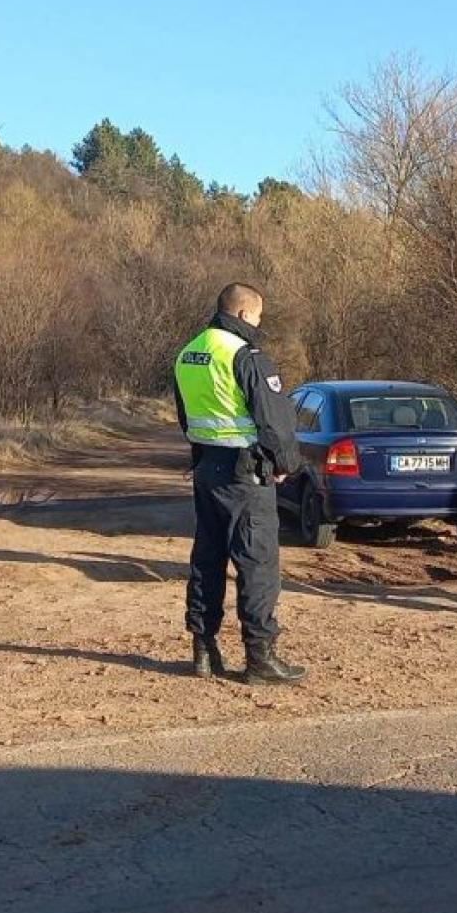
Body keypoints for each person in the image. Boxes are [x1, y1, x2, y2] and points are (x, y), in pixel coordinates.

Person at [172, 283, 306, 684]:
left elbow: (186, 417)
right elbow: (274, 420)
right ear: (246, 314)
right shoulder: (245, 356)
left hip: (206, 469)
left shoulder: (188, 353)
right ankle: (260, 657)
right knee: (257, 563)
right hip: (246, 475)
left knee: (207, 559)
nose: (259, 325)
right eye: (259, 318)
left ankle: (204, 650)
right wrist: (285, 463)